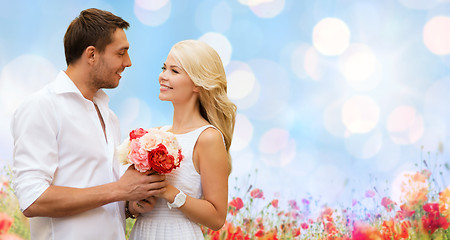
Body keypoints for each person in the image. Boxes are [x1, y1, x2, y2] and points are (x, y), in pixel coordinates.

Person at [11, 8, 166, 240]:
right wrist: (119, 190)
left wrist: (129, 204)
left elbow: (101, 192)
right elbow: (33, 200)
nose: (129, 62)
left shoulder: (109, 116)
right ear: (91, 55)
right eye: (121, 53)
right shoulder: (42, 107)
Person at [128, 40, 237, 239]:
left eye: (174, 71)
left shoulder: (208, 137)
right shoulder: (154, 135)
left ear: (197, 83)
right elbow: (135, 204)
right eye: (164, 68)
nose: (163, 76)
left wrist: (171, 193)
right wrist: (137, 203)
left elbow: (217, 217)